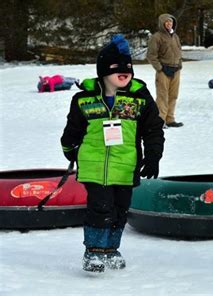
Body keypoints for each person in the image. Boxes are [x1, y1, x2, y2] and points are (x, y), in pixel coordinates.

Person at [61, 34, 165, 273]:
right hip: (94, 164)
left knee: (120, 208)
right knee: (101, 206)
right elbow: (72, 129)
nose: (124, 72)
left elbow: (153, 129)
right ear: (103, 71)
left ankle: (110, 249)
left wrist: (153, 155)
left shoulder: (139, 98)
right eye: (117, 68)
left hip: (126, 164)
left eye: (127, 68)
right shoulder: (84, 100)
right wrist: (69, 149)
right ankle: (94, 251)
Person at [147, 13, 183, 128]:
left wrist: (179, 65)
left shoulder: (175, 36)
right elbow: (151, 55)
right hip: (163, 71)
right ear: (162, 23)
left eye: (171, 22)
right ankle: (160, 120)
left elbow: (179, 52)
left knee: (173, 95)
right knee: (162, 96)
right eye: (166, 22)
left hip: (176, 70)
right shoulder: (156, 37)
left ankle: (170, 119)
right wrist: (160, 68)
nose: (169, 24)